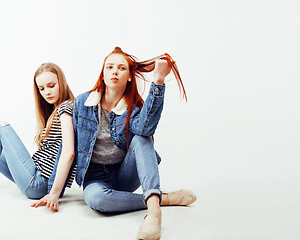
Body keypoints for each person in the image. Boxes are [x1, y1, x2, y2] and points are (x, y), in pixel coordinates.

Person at [72, 47, 196, 240]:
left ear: (129, 76)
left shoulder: (134, 109)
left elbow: (146, 130)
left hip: (124, 174)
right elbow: (68, 148)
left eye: (121, 68)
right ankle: (163, 198)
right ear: (103, 74)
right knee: (96, 199)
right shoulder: (82, 103)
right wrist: (54, 191)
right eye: (109, 67)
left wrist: (159, 80)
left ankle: (154, 213)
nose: (114, 71)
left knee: (141, 136)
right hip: (95, 178)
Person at [0, 63, 75, 212]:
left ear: (62, 82)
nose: (47, 92)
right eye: (41, 89)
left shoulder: (66, 108)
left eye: (51, 85)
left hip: (39, 183)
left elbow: (69, 152)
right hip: (36, 181)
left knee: (2, 126)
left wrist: (54, 193)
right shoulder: (55, 111)